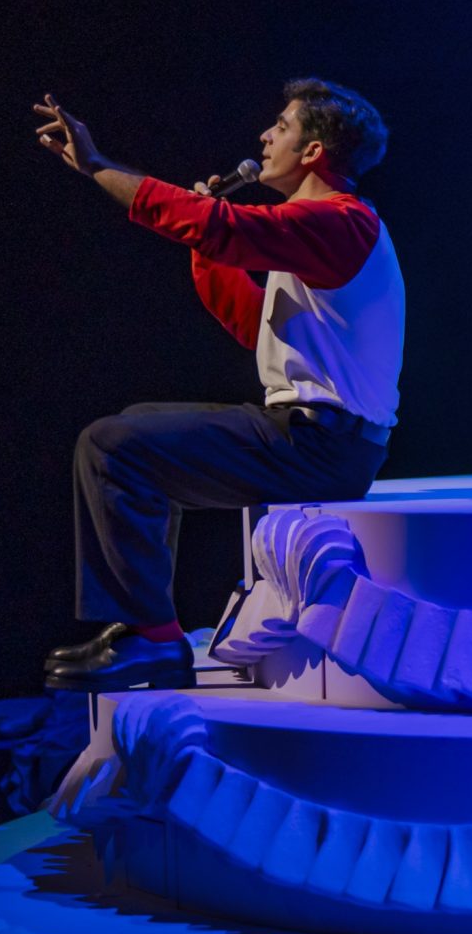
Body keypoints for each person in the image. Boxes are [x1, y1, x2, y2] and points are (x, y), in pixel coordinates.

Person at [32, 79, 404, 691]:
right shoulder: (320, 233)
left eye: (281, 127)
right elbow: (253, 323)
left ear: (313, 151)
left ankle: (154, 638)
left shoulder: (340, 222)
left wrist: (98, 166)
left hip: (322, 445)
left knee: (112, 445)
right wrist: (205, 243)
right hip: (318, 440)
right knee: (134, 429)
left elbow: (216, 225)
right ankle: (143, 628)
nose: (265, 136)